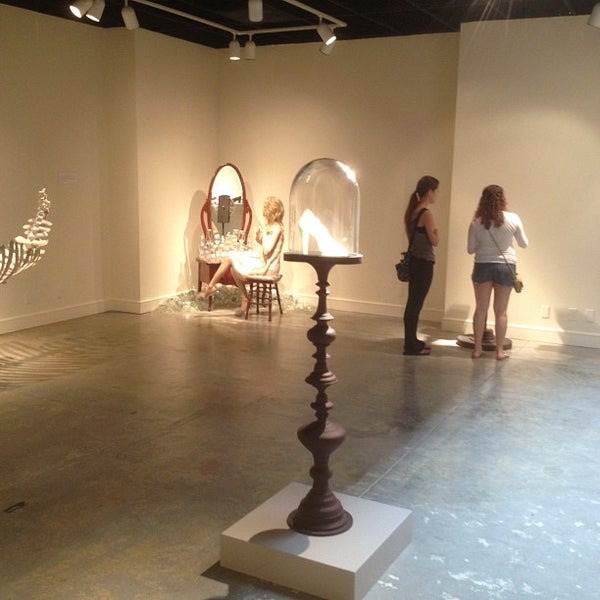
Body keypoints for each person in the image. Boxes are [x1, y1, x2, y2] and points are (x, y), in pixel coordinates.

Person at [467, 184, 528, 360]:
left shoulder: (476, 222)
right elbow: (524, 243)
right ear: (503, 199)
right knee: (501, 312)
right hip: (505, 266)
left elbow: (470, 249)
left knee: (481, 309)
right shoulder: (513, 219)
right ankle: (500, 351)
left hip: (482, 265)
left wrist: (484, 244)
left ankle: (477, 349)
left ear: (483, 200)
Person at [198, 196, 285, 314]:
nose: (264, 211)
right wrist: (259, 238)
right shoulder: (273, 227)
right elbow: (266, 247)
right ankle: (241, 296)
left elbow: (267, 250)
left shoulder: (277, 228)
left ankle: (213, 287)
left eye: (266, 208)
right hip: (264, 261)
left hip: (268, 267)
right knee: (232, 263)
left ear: (272, 211)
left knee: (231, 260)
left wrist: (264, 233)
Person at [402, 176, 440, 355]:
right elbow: (435, 241)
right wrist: (436, 234)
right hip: (424, 263)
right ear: (430, 191)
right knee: (415, 305)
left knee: (413, 303)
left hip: (415, 262)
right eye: (436, 191)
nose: (437, 194)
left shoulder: (412, 212)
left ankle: (412, 341)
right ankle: (410, 345)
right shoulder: (426, 214)